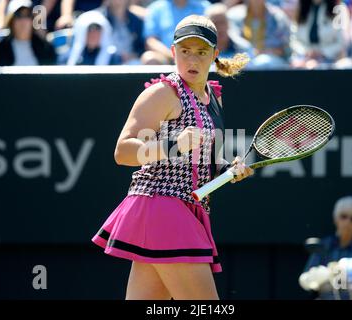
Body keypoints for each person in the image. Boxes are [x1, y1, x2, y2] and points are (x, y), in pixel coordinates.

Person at [92, 14, 253, 299]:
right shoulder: (162, 93)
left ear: (215, 55)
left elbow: (207, 164)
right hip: (161, 208)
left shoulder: (213, 99)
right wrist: (172, 145)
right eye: (185, 51)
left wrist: (231, 169)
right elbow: (123, 151)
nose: (192, 60)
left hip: (180, 211)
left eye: (201, 52)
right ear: (173, 51)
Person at [0, 0, 57, 66]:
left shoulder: (45, 48)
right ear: (11, 21)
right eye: (18, 16)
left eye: (27, 15)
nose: (24, 21)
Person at [142, 0, 211, 64]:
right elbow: (151, 41)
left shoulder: (205, 6)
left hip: (198, 55)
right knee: (150, 58)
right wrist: (173, 56)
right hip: (167, 58)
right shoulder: (156, 8)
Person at [227, 0, 291, 69]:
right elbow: (230, 43)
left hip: (271, 64)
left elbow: (285, 49)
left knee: (263, 61)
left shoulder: (279, 17)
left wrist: (263, 52)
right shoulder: (233, 15)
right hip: (240, 59)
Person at [290, 0, 350, 69]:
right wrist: (306, 52)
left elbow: (342, 42)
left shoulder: (338, 8)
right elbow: (293, 39)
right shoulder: (300, 7)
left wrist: (322, 53)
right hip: (303, 58)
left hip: (330, 59)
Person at [96, 0, 145, 64]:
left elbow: (141, 47)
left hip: (131, 62)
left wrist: (134, 55)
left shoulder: (136, 20)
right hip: (103, 61)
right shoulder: (96, 18)